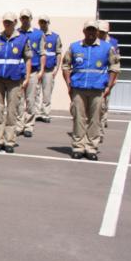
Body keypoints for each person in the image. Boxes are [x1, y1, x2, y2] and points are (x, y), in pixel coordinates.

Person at [64, 20, 119, 160]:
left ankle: (91, 148)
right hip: (78, 89)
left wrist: (109, 86)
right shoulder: (75, 47)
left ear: (97, 31)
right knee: (79, 118)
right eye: (88, 29)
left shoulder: (107, 47)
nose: (91, 32)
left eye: (93, 30)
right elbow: (66, 65)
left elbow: (114, 67)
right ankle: (78, 147)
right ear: (84, 31)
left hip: (98, 89)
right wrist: (69, 83)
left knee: (95, 119)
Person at [0, 13, 32, 153]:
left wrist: (27, 77)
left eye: (10, 22)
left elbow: (28, 59)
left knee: (12, 111)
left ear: (15, 22)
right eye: (5, 22)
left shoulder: (22, 39)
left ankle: (9, 141)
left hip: (15, 79)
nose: (7, 24)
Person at [16, 9, 44, 139]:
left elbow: (42, 54)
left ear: (31, 19)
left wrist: (41, 70)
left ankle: (29, 126)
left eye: (27, 18)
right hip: (19, 72)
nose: (25, 20)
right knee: (19, 100)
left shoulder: (38, 34)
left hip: (33, 71)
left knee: (30, 100)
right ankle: (19, 125)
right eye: (23, 18)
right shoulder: (16, 33)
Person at [36, 15, 62, 123]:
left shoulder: (55, 37)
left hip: (49, 69)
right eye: (41, 22)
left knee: (47, 92)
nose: (43, 24)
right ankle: (36, 113)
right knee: (35, 92)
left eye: (45, 22)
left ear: (48, 23)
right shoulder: (35, 35)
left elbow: (58, 53)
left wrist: (57, 68)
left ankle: (45, 114)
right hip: (37, 69)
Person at [97, 20, 119, 143]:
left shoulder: (113, 43)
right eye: (99, 31)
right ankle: (96, 131)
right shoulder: (93, 42)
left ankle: (100, 132)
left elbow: (116, 63)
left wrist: (114, 79)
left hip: (107, 78)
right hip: (95, 79)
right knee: (97, 107)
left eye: (103, 32)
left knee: (103, 105)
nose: (101, 34)